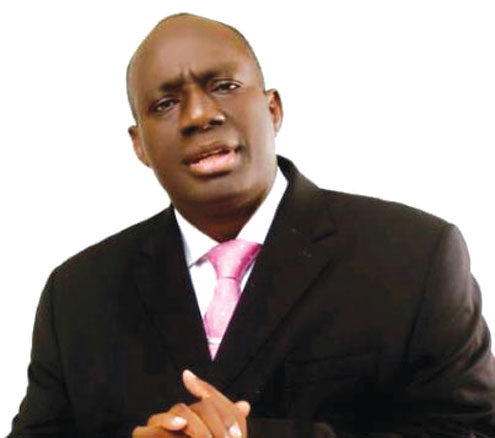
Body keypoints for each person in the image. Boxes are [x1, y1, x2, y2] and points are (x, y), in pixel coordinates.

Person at [9, 12, 495, 438]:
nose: (199, 115)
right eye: (165, 104)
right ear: (139, 145)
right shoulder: (76, 295)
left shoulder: (413, 257)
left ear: (273, 108)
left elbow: (469, 430)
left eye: (223, 86)